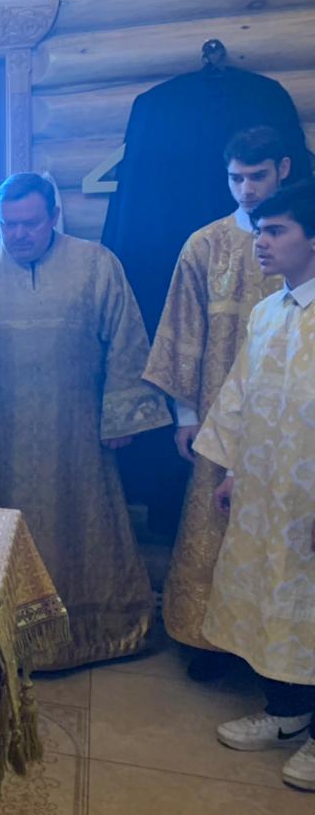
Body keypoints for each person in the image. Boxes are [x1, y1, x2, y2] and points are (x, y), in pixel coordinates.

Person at [0, 173, 170, 670]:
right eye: (8, 224)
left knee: (83, 524)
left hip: (75, 430)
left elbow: (126, 339)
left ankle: (92, 633)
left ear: (54, 216)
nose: (19, 234)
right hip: (1, 434)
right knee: (1, 526)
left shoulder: (96, 264)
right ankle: (0, 635)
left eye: (31, 223)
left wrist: (121, 415)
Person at [143, 126, 288, 681]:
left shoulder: (304, 240)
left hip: (290, 417)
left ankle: (277, 659)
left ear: (283, 171)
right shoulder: (205, 245)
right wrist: (185, 416)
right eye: (236, 178)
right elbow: (183, 332)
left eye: (258, 176)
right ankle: (208, 642)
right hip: (217, 415)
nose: (247, 189)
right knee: (214, 521)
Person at [194, 182, 315, 792]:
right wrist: (234, 470)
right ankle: (288, 710)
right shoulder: (268, 312)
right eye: (259, 231)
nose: (261, 242)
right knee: (274, 598)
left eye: (276, 231)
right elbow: (242, 395)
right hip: (268, 493)